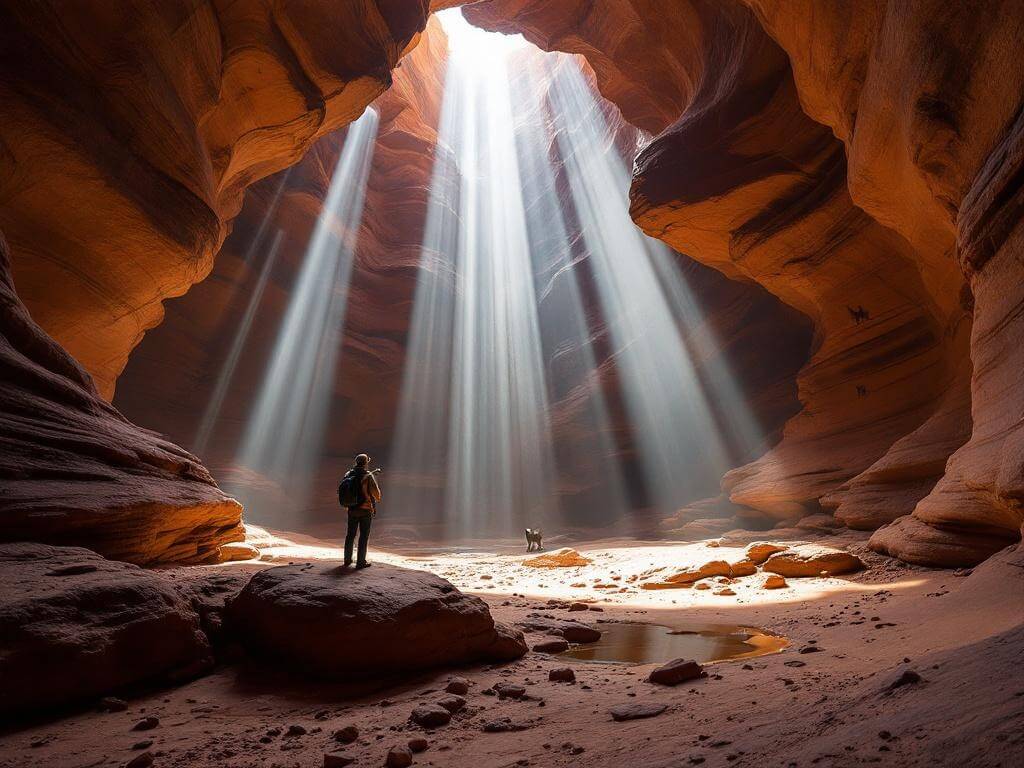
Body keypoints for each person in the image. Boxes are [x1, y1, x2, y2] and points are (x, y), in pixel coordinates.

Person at [342, 453, 381, 568]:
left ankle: (347, 560)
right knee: (363, 536)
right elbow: (377, 496)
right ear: (366, 463)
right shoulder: (368, 476)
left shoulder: (348, 474)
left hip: (352, 509)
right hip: (365, 510)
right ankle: (360, 562)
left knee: (350, 535)